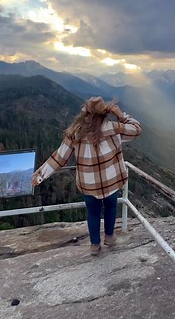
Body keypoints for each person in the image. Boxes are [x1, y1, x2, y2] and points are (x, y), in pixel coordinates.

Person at [31, 97, 141, 256]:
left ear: (85, 114)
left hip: (89, 183)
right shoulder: (112, 127)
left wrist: (40, 175)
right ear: (104, 113)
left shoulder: (75, 132)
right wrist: (121, 116)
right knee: (111, 206)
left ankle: (95, 245)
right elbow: (136, 129)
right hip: (112, 180)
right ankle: (109, 237)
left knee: (93, 212)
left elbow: (60, 158)